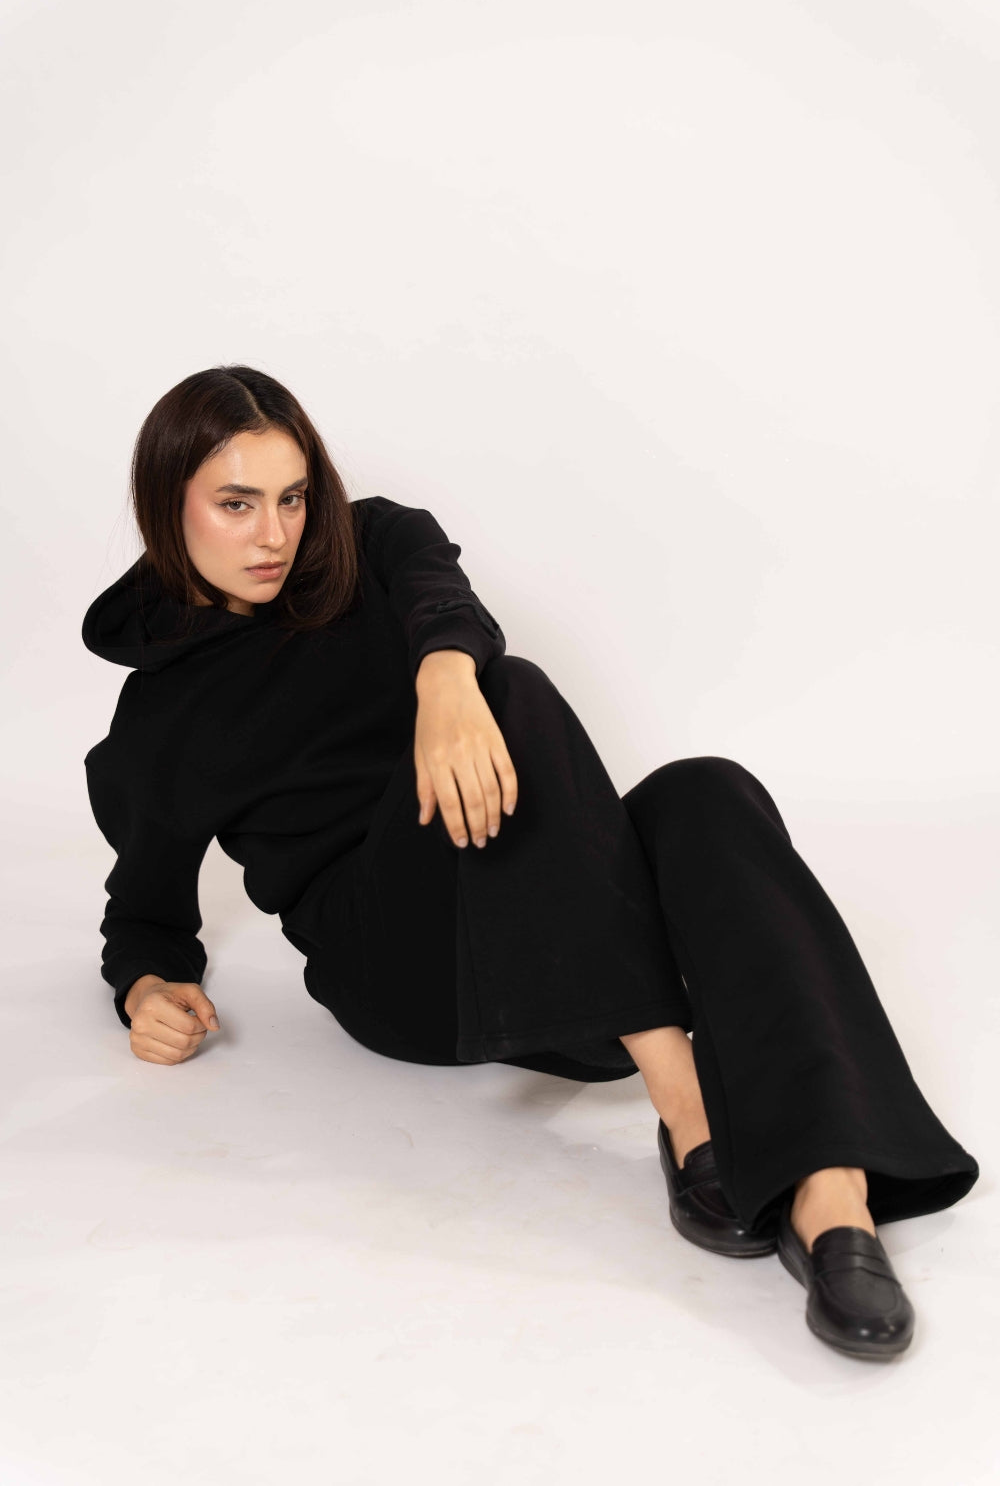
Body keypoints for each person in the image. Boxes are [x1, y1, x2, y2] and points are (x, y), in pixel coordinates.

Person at [82, 364, 979, 1362]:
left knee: (706, 792)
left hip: (553, 941)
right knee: (513, 691)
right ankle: (686, 1104)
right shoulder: (163, 717)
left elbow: (442, 600)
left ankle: (834, 1194)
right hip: (405, 972)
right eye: (236, 503)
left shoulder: (373, 541)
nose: (274, 535)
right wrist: (146, 989)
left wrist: (445, 681)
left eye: (292, 498)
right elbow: (144, 913)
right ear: (168, 506)